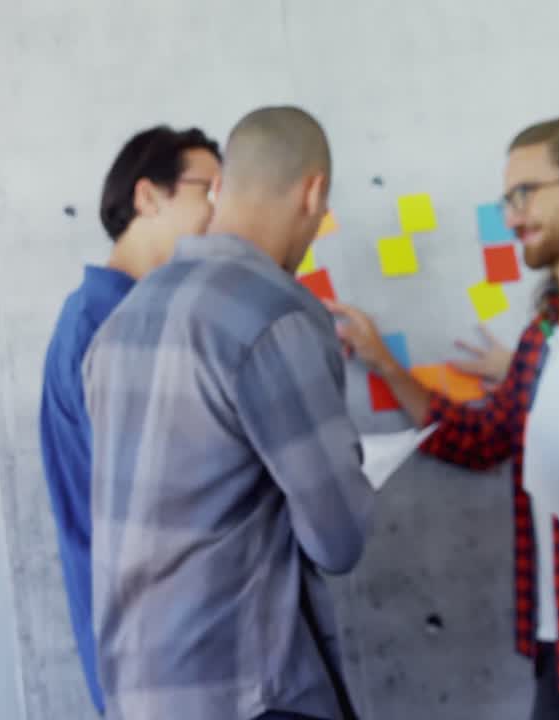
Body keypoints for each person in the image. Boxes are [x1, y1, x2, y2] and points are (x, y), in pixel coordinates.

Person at [330, 108, 559, 719]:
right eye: (506, 198)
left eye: (524, 194)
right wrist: (382, 361)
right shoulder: (542, 334)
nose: (512, 216)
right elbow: (484, 439)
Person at [86, 106, 373, 720]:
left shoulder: (119, 324)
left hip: (138, 695)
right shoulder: (277, 314)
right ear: (314, 191)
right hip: (247, 695)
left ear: (221, 189)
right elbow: (338, 539)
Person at [38, 125, 221, 715]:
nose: (222, 211)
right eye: (209, 190)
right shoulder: (102, 327)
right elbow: (164, 495)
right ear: (148, 197)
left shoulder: (140, 318)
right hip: (155, 652)